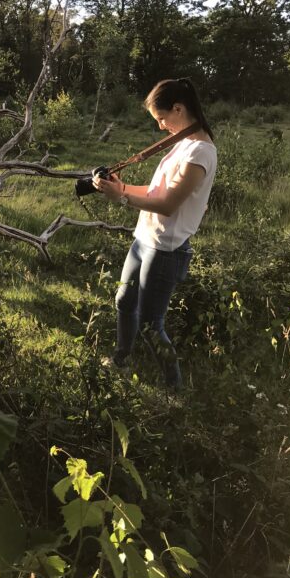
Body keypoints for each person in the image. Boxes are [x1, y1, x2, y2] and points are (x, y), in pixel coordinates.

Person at [93, 78, 217, 391]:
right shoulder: (182, 144)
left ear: (179, 108)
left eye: (162, 119)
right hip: (143, 240)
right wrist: (118, 187)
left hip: (166, 250)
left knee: (151, 324)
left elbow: (168, 204)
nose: (161, 126)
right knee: (124, 300)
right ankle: (121, 359)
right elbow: (154, 190)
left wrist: (121, 197)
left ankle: (173, 387)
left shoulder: (200, 152)